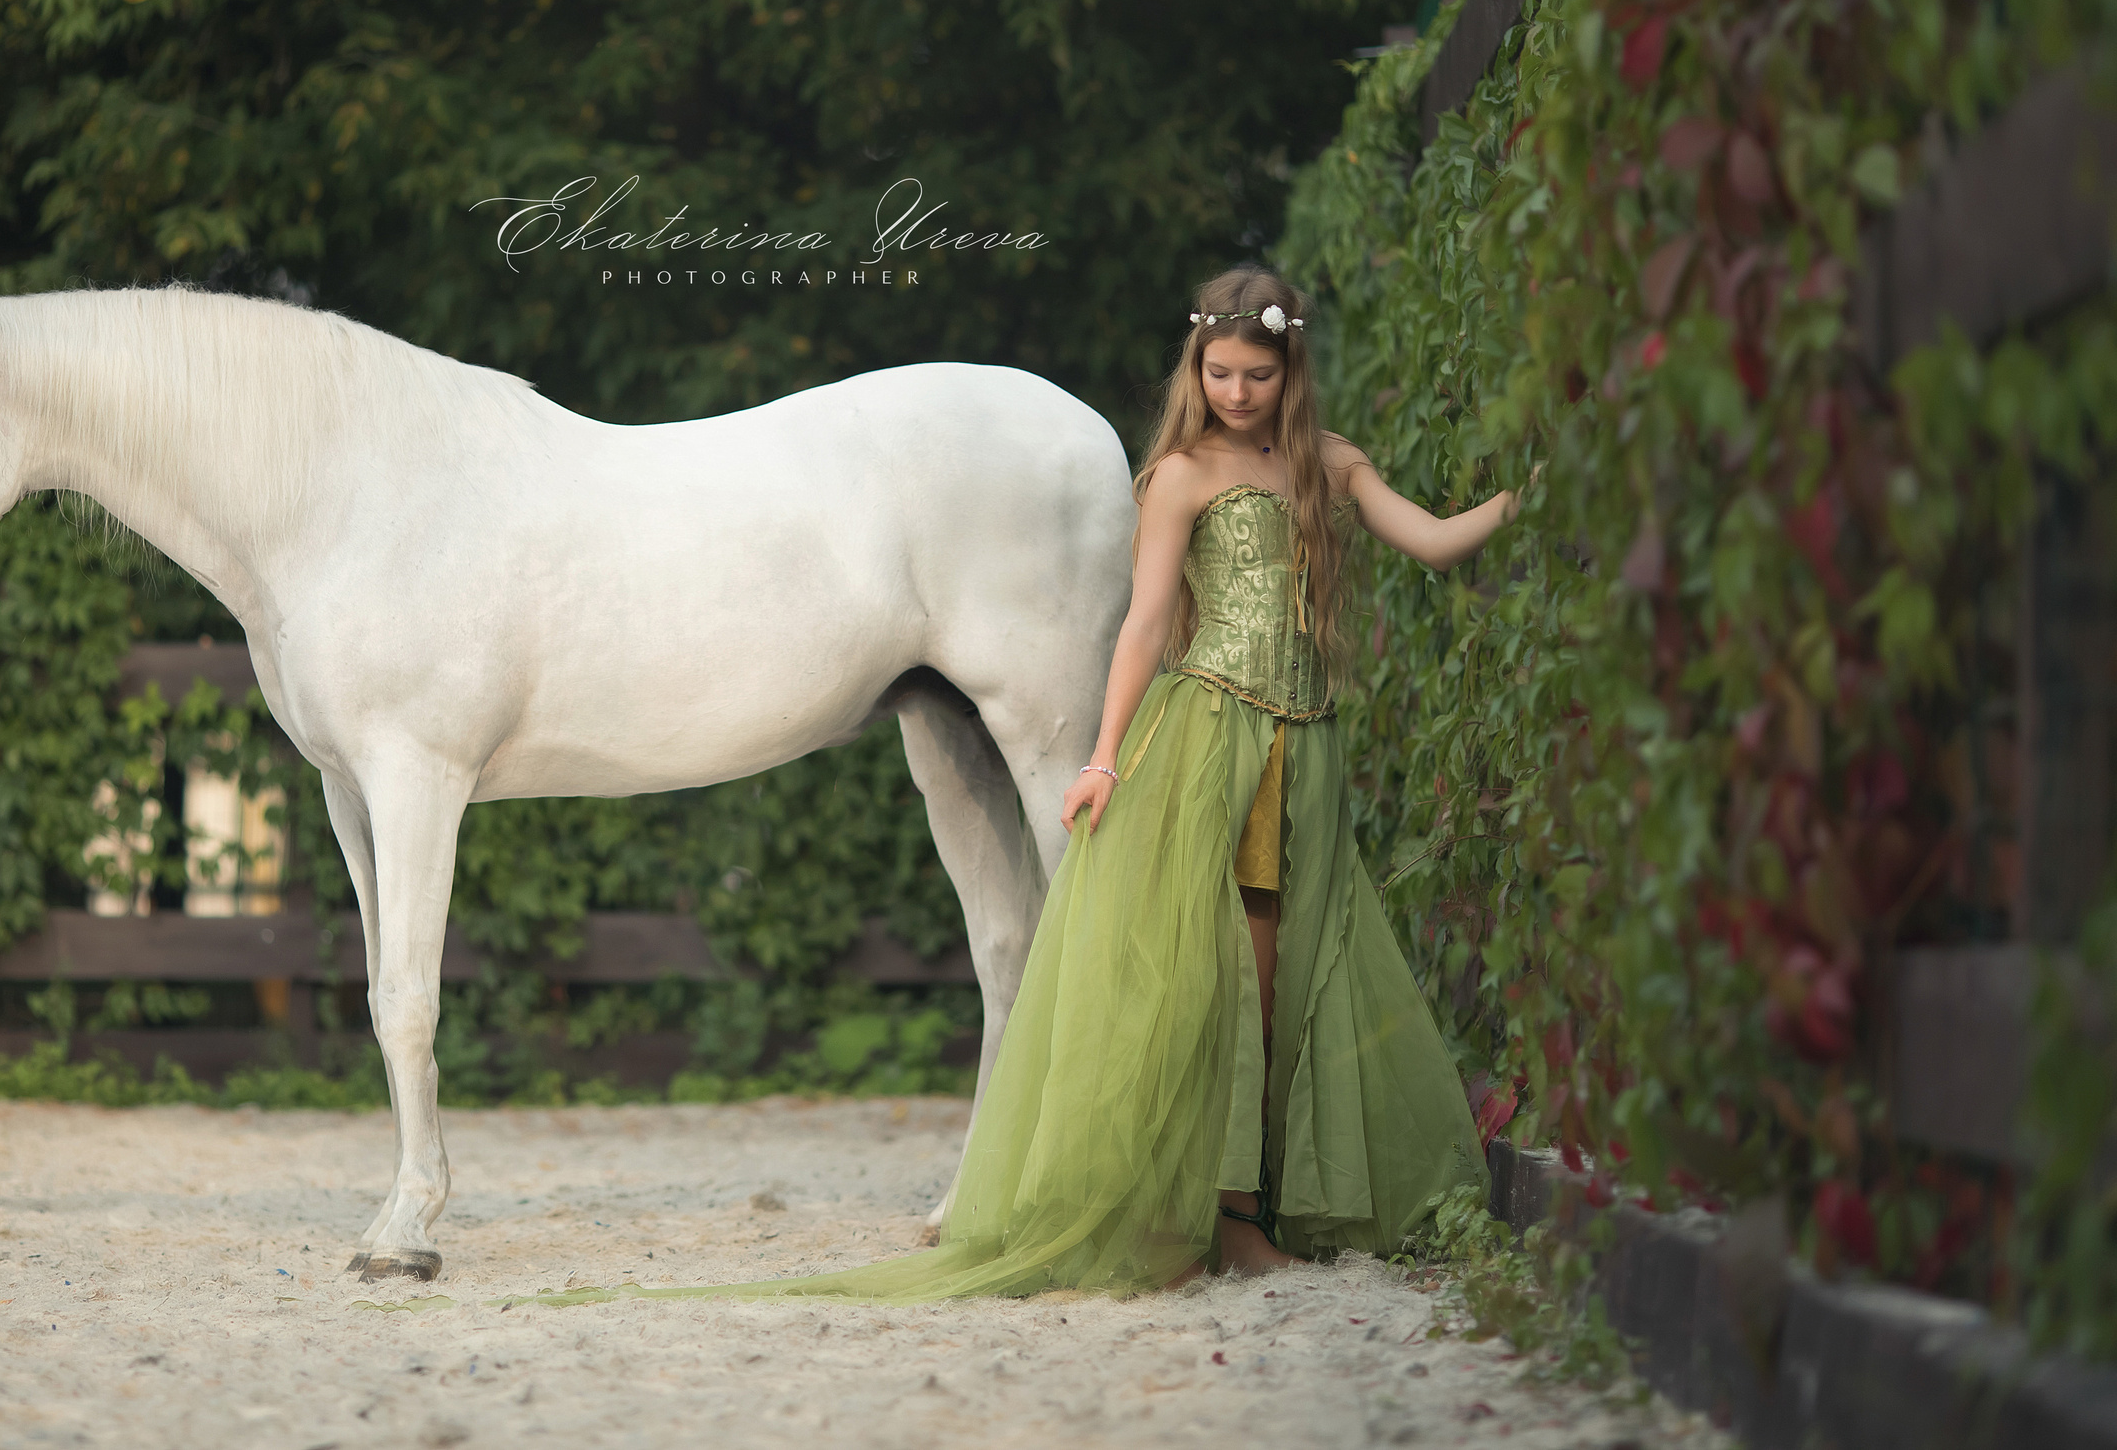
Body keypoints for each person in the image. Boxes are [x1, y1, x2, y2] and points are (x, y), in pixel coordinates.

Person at [526, 267, 1518, 1306]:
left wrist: (1520, 493)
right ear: (1197, 368)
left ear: (1289, 371)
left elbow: (1434, 540)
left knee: (1299, 966)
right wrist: (1101, 754)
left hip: (1304, 743)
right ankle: (1216, 1216)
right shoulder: (1181, 477)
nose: (1234, 391)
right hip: (1213, 734)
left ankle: (1269, 1196)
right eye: (1218, 372)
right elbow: (1140, 627)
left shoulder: (1327, 466)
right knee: (1224, 965)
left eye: (1255, 374)